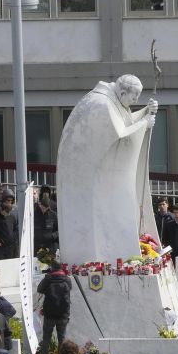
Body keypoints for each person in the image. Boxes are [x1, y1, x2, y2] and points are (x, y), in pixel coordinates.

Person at [57, 74, 159, 265]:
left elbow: (124, 123)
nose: (135, 101)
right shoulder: (101, 105)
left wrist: (146, 111)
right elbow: (120, 136)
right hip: (87, 183)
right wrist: (145, 123)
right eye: (134, 98)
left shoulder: (112, 100)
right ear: (122, 92)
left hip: (96, 178)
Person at [37, 261, 72, 354]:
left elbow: (39, 289)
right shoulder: (66, 279)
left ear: (52, 268)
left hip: (49, 314)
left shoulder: (48, 279)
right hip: (63, 314)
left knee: (46, 338)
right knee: (62, 339)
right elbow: (69, 289)